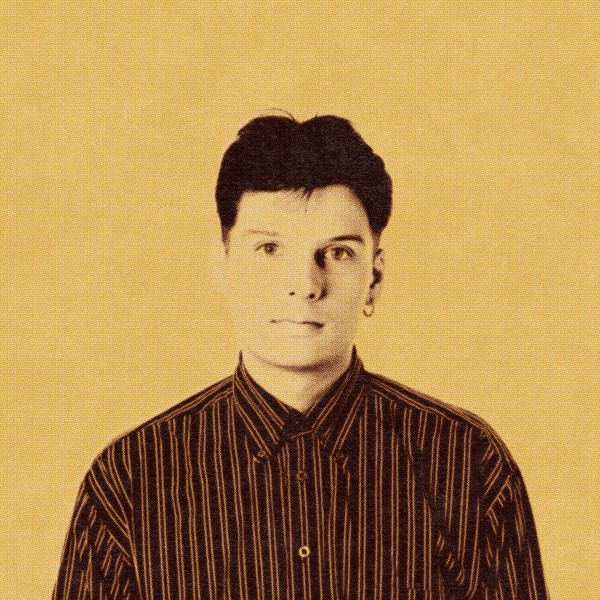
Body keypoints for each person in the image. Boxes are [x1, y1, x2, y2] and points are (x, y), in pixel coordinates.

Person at [53, 115, 548, 599]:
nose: (305, 285)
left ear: (374, 279)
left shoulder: (469, 463)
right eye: (269, 249)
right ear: (223, 268)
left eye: (337, 253)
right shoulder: (131, 479)